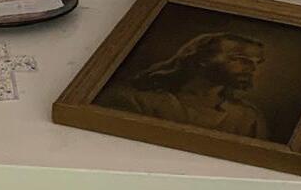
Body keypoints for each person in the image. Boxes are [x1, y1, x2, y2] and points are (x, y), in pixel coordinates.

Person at [98, 33, 271, 139]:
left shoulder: (247, 117)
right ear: (203, 59)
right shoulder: (138, 100)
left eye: (257, 63)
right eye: (240, 60)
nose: (252, 69)